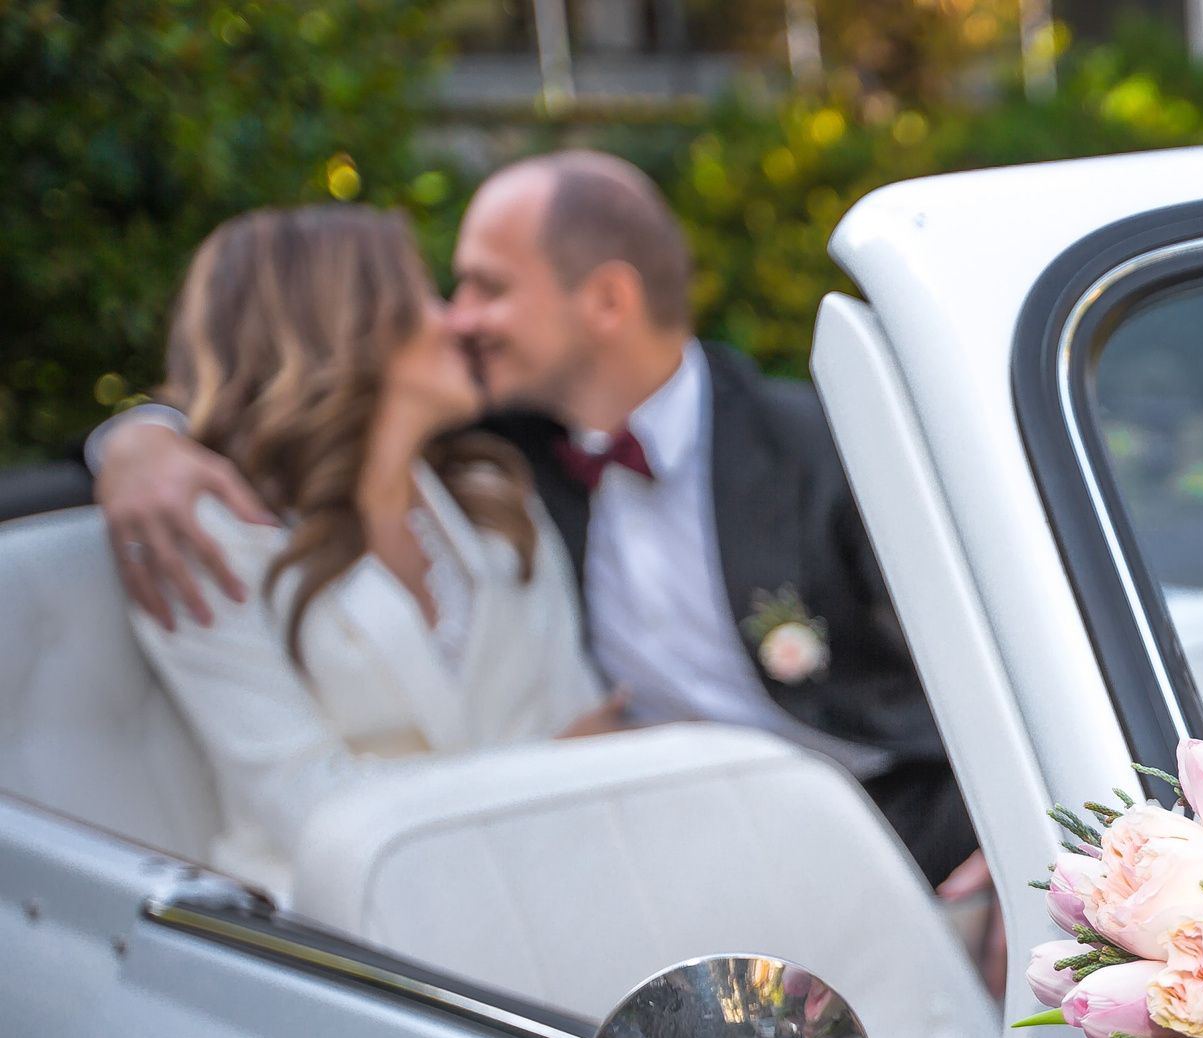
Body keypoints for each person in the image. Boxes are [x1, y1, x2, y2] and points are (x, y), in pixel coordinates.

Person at [90, 150, 978, 889]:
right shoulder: (501, 457)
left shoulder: (818, 447)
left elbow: (991, 657)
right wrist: (135, 440)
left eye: (483, 288)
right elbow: (259, 402)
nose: (460, 319)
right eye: (444, 293)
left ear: (606, 302)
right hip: (486, 873)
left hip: (873, 818)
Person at [131, 205, 617, 901]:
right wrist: (545, 772)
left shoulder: (495, 504)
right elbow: (316, 809)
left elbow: (588, 731)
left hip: (546, 888)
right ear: (343, 323)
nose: (459, 321)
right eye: (425, 295)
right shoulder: (205, 537)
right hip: (337, 935)